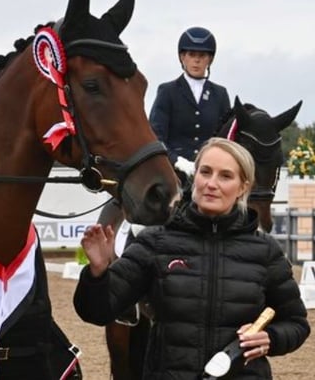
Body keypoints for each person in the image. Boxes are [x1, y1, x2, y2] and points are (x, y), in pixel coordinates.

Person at [73, 137, 309, 379]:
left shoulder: (266, 251)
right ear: (194, 177)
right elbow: (96, 312)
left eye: (225, 176)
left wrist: (271, 339)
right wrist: (97, 273)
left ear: (242, 187)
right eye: (205, 172)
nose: (211, 183)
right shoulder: (154, 242)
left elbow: (297, 323)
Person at [149, 26, 231, 178]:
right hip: (172, 171)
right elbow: (155, 135)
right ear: (182, 57)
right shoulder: (168, 91)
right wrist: (176, 161)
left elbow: (225, 138)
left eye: (202, 55)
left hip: (210, 171)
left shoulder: (220, 94)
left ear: (210, 59)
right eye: (192, 54)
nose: (197, 60)